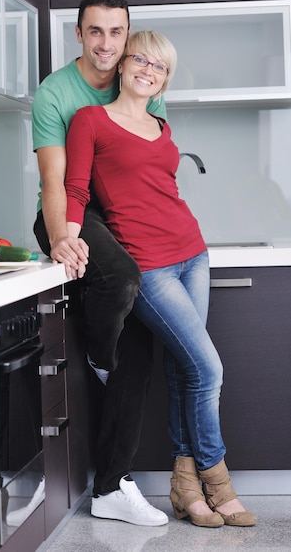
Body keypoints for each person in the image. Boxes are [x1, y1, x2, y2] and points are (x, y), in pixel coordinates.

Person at [65, 29, 257, 528]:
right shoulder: (91, 121)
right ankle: (218, 479)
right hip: (148, 263)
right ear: (123, 66)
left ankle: (185, 487)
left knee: (183, 371)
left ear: (165, 79)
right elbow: (76, 189)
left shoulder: (160, 125)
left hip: (192, 252)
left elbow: (161, 188)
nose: (149, 71)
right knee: (208, 369)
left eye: (161, 67)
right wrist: (66, 235)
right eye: (142, 61)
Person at [32, 0, 168, 526]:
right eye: (95, 31)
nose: (106, 43)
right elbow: (53, 179)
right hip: (68, 208)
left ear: (127, 35)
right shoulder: (55, 93)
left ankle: (112, 488)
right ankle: (96, 354)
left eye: (117, 32)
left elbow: (147, 163)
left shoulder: (140, 79)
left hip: (119, 216)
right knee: (121, 274)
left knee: (138, 349)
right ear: (79, 34)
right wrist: (62, 234)